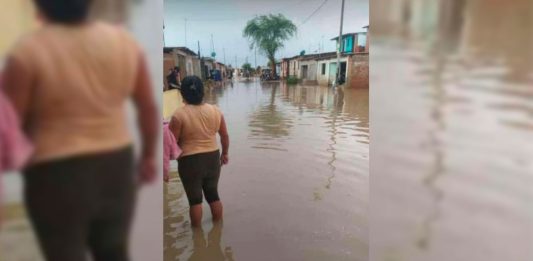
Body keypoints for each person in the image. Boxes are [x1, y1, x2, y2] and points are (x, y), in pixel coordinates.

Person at [1, 0, 158, 260]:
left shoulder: (27, 51)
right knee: (114, 252)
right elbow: (147, 108)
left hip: (54, 173)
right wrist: (149, 156)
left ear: (40, 8)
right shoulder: (124, 43)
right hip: (116, 166)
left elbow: (8, 126)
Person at [169, 76, 229, 228]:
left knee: (195, 200)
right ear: (203, 92)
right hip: (212, 158)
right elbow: (224, 135)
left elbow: (172, 143)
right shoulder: (216, 111)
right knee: (213, 195)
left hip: (189, 162)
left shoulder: (178, 115)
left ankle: (196, 236)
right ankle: (218, 227)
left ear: (182, 94)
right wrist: (225, 153)